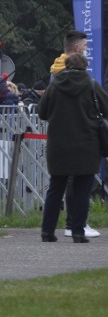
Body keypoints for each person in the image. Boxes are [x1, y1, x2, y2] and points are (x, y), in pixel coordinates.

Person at [39, 53, 107, 242]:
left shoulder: (54, 86)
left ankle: (47, 231)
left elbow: (42, 113)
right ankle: (78, 231)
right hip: (87, 146)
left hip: (58, 146)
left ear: (67, 66)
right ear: (85, 66)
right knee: (82, 190)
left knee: (56, 188)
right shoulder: (91, 85)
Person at [49, 31, 100, 238]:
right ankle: (76, 224)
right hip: (82, 135)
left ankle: (49, 230)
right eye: (85, 46)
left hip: (58, 136)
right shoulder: (85, 80)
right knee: (80, 182)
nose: (87, 49)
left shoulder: (54, 72)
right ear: (77, 49)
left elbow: (46, 108)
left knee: (59, 183)